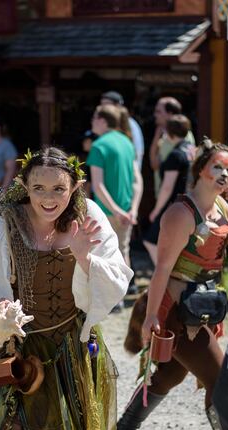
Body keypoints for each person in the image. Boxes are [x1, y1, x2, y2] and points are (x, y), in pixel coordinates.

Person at [0, 147, 133, 430]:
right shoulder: (3, 226)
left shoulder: (88, 216)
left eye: (58, 189)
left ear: (75, 186)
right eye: (38, 188)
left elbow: (117, 278)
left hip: (72, 345)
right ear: (24, 186)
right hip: (19, 350)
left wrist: (85, 259)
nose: (48, 198)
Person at [116, 140, 228, 430]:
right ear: (201, 169)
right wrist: (151, 316)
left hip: (205, 305)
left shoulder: (221, 206)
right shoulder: (182, 213)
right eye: (217, 167)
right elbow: (162, 269)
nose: (225, 174)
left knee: (170, 375)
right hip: (178, 312)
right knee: (219, 379)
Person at [87, 104, 143, 294]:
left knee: (103, 256)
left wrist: (116, 212)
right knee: (122, 252)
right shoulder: (127, 142)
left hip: (106, 212)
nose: (92, 121)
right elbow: (137, 180)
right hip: (127, 212)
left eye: (94, 117)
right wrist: (133, 210)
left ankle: (110, 298)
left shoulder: (98, 146)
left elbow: (98, 186)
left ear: (103, 120)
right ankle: (121, 295)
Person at [143, 115, 197, 264]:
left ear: (169, 133)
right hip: (190, 203)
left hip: (174, 205)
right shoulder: (193, 150)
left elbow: (167, 187)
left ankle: (166, 273)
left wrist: (156, 211)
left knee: (150, 240)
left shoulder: (175, 155)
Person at [149, 97, 196, 191]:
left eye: (158, 111)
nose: (155, 115)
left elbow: (154, 164)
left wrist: (156, 136)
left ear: (170, 114)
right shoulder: (181, 134)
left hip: (171, 195)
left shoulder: (176, 137)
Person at [100, 91, 145, 171]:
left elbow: (136, 153)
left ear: (118, 105)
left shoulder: (129, 124)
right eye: (102, 104)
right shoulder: (105, 124)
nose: (102, 108)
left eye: (106, 104)